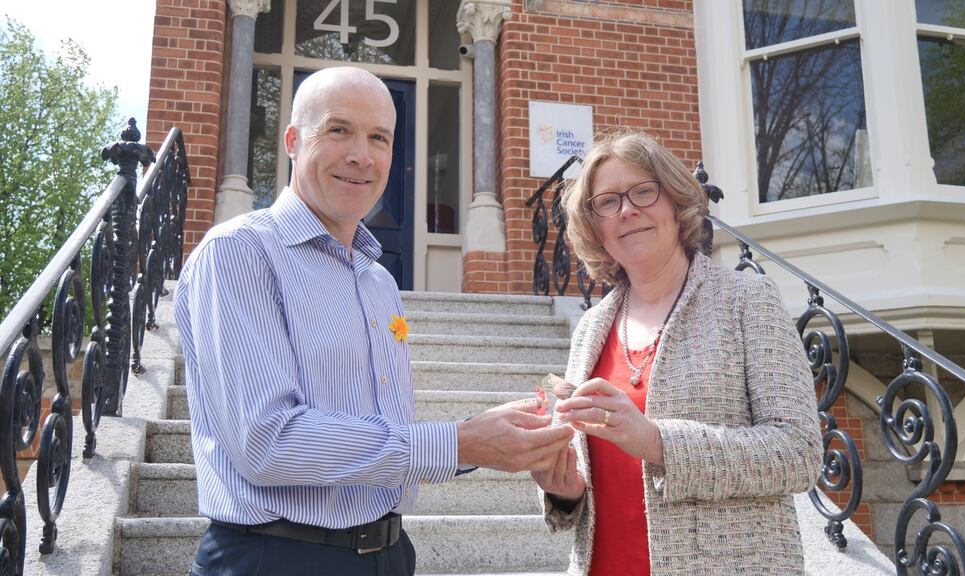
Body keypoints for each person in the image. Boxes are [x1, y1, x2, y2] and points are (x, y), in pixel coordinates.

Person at [174, 66, 573, 575]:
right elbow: (266, 443)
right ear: (293, 141)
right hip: (276, 557)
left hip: (389, 553)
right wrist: (457, 442)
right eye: (338, 130)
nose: (362, 155)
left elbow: (383, 438)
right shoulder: (240, 254)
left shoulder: (377, 280)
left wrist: (483, 438)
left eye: (379, 137)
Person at [531, 131, 822, 575]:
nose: (627, 210)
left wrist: (655, 441)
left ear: (674, 201)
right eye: (607, 202)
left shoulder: (746, 300)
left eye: (644, 191)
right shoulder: (592, 328)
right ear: (596, 229)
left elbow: (798, 453)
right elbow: (589, 486)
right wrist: (563, 490)